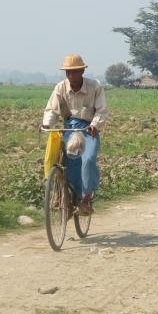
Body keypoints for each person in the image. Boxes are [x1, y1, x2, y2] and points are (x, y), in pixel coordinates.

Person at [41, 54, 108, 215]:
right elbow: (52, 109)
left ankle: (85, 199)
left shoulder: (94, 86)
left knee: (88, 160)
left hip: (88, 130)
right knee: (64, 163)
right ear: (66, 74)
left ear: (82, 71)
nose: (72, 76)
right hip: (69, 129)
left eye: (76, 72)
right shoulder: (60, 88)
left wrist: (94, 125)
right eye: (69, 73)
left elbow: (102, 110)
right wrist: (46, 123)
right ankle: (60, 195)